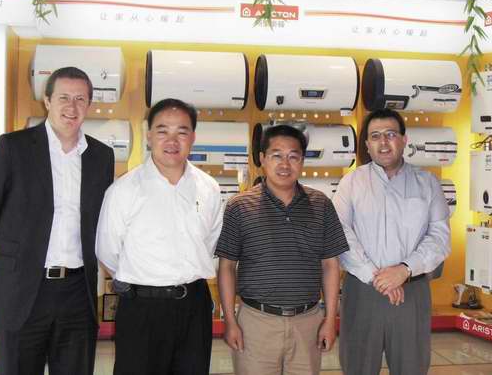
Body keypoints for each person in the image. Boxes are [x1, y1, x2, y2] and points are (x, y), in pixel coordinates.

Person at [0, 66, 114, 375]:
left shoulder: (101, 156)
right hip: (22, 289)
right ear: (47, 100)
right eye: (63, 97)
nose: (72, 106)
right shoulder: (13, 147)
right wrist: (16, 258)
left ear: (89, 104)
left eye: (80, 99)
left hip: (78, 292)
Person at [96, 98, 223, 375]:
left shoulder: (209, 188)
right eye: (163, 130)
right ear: (149, 135)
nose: (172, 141)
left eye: (182, 132)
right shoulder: (124, 190)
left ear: (193, 137)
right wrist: (145, 280)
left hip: (194, 306)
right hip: (142, 307)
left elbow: (209, 243)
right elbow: (108, 251)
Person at [216, 124, 349, 375]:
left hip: (308, 322)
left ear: (302, 161)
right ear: (263, 159)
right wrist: (230, 321)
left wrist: (330, 320)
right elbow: (226, 266)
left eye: (293, 156)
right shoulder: (239, 206)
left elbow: (330, 265)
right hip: (256, 323)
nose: (285, 164)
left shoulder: (321, 204)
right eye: (276, 155)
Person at [332, 108, 451, 375]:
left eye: (390, 134)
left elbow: (440, 237)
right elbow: (340, 233)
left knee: (412, 367)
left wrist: (404, 269)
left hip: (412, 291)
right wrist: (376, 276)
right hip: (362, 291)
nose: (383, 142)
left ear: (404, 140)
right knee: (358, 367)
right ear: (367, 144)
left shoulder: (427, 183)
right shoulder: (351, 183)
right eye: (375, 136)